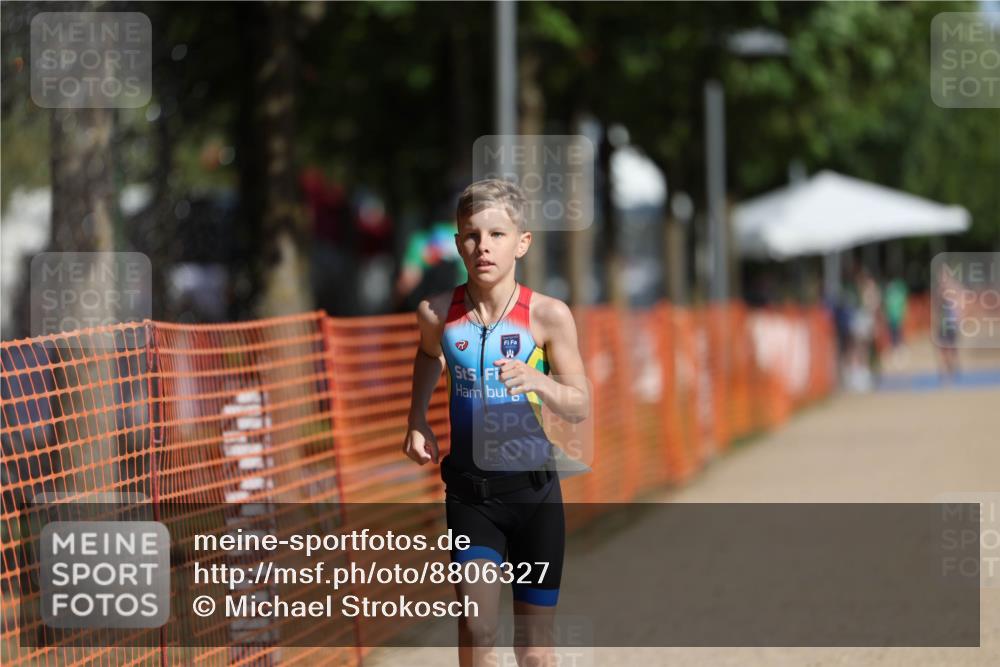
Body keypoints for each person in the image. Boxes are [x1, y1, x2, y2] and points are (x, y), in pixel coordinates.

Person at [403, 178, 589, 667]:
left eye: (497, 234)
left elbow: (579, 403)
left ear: (522, 242)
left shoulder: (548, 315)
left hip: (534, 497)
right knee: (478, 626)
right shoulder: (437, 314)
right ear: (458, 240)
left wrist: (538, 380)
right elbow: (427, 357)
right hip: (471, 497)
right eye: (471, 234)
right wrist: (417, 417)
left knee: (534, 651)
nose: (483, 246)